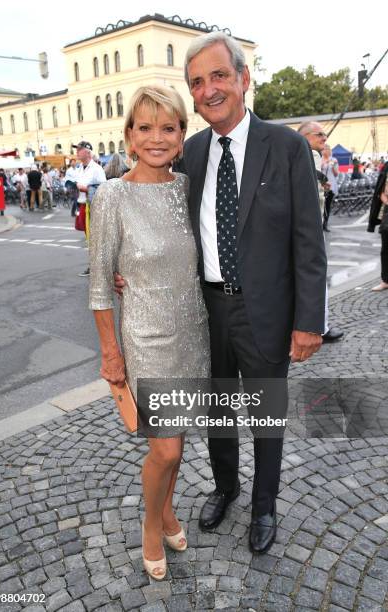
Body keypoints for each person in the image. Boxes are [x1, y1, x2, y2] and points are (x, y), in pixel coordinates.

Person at [115, 33, 327, 555]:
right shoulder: (190, 153)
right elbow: (147, 202)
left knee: (266, 414)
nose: (208, 89)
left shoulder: (288, 147)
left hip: (268, 314)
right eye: (197, 82)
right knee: (217, 413)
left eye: (218, 76)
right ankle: (226, 488)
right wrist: (127, 265)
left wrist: (309, 321)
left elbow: (309, 242)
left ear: (242, 79)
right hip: (204, 311)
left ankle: (265, 505)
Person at [89, 85, 210, 580]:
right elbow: (100, 287)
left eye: (168, 127)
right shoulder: (112, 195)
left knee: (177, 441)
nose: (156, 137)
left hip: (193, 333)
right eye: (145, 127)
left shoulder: (187, 189)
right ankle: (149, 525)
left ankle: (166, 511)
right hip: (146, 338)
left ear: (182, 136)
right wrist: (111, 355)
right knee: (167, 448)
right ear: (129, 137)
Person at [298, 121, 344, 344]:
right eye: (320, 135)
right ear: (305, 136)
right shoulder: (307, 155)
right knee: (315, 277)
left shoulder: (308, 155)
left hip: (308, 228)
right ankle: (319, 327)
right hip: (307, 231)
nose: (324, 139)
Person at [72, 142, 106, 277]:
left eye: (79, 149)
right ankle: (95, 265)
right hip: (82, 204)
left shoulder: (96, 168)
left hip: (92, 206)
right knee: (89, 237)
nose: (77, 152)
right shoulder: (80, 168)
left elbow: (103, 189)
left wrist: (85, 189)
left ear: (87, 152)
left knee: (95, 237)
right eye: (77, 149)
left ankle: (97, 266)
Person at [368, 161, 388, 291]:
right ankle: (385, 280)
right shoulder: (387, 166)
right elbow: (380, 187)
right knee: (385, 249)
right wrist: (384, 198)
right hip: (386, 210)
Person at [321, 144, 339, 231]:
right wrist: (325, 163)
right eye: (324, 149)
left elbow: (336, 174)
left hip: (331, 184)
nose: (326, 151)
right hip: (321, 184)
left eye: (327, 149)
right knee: (320, 204)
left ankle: (325, 224)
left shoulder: (334, 160)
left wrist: (332, 167)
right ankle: (320, 222)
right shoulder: (320, 159)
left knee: (328, 205)